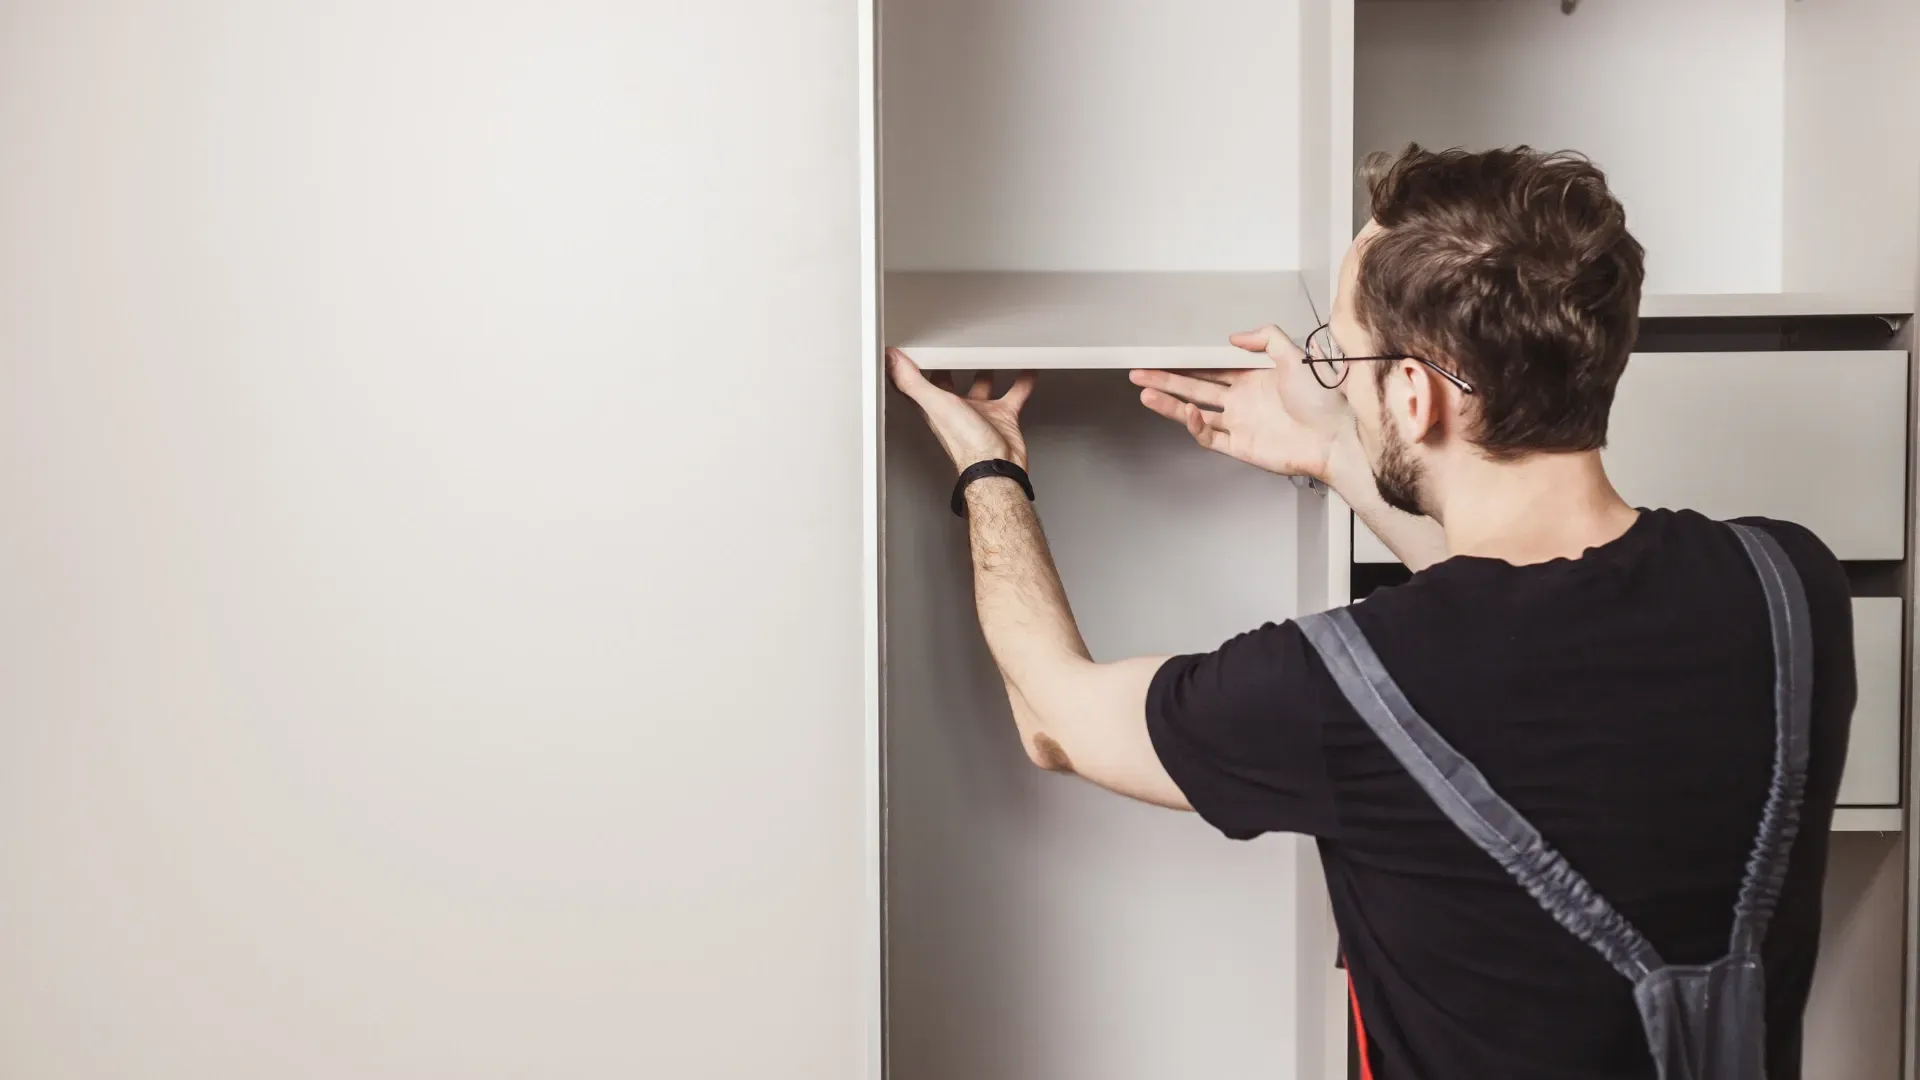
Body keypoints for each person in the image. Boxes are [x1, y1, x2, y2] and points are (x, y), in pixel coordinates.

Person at [887, 144, 1852, 1079]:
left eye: (1340, 350)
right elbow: (1521, 626)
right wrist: (1341, 457)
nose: (1335, 377)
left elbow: (1054, 718)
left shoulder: (1334, 691)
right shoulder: (1788, 588)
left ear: (1415, 393)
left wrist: (989, 468)